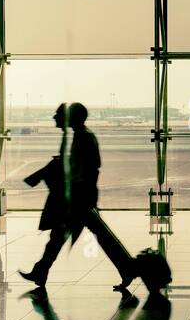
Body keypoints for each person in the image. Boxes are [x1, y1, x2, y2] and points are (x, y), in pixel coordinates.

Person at [19, 102, 137, 291]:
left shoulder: (82, 137)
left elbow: (88, 168)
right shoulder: (81, 136)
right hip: (83, 196)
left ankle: (128, 268)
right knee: (79, 235)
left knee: (65, 235)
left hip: (80, 198)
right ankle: (41, 271)